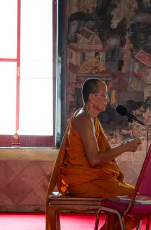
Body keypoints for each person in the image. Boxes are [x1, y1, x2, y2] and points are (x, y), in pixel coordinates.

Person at [49, 78, 144, 230]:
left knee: (136, 202)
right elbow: (93, 160)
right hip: (83, 182)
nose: (107, 99)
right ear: (91, 97)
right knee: (138, 200)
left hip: (93, 178)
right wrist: (123, 147)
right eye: (104, 95)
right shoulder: (84, 119)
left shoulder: (91, 119)